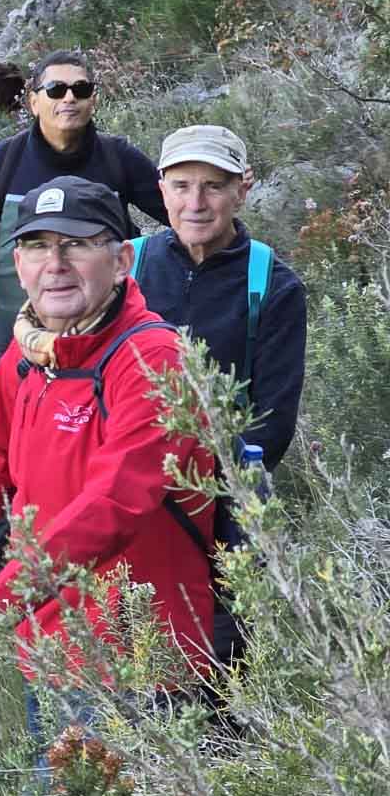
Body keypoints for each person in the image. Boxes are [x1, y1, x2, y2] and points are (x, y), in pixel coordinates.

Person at [0, 177, 215, 738]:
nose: (55, 263)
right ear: (18, 263)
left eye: (77, 244)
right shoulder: (29, 356)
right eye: (35, 245)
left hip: (143, 664)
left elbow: (116, 502)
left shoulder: (154, 359)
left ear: (123, 259)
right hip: (52, 649)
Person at [130, 123, 307, 672]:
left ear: (242, 189)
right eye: (182, 185)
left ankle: (223, 751)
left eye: (213, 185)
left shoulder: (272, 285)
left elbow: (272, 422)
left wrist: (196, 480)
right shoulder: (124, 266)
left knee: (221, 656)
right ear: (160, 188)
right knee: (127, 646)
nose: (196, 202)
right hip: (126, 495)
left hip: (225, 500)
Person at [0, 51, 162, 397]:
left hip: (105, 345)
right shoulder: (4, 161)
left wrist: (224, 187)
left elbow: (183, 214)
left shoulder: (118, 158)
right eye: (56, 89)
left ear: (93, 101)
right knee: (2, 444)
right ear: (33, 101)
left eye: (80, 89)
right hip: (13, 340)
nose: (69, 98)